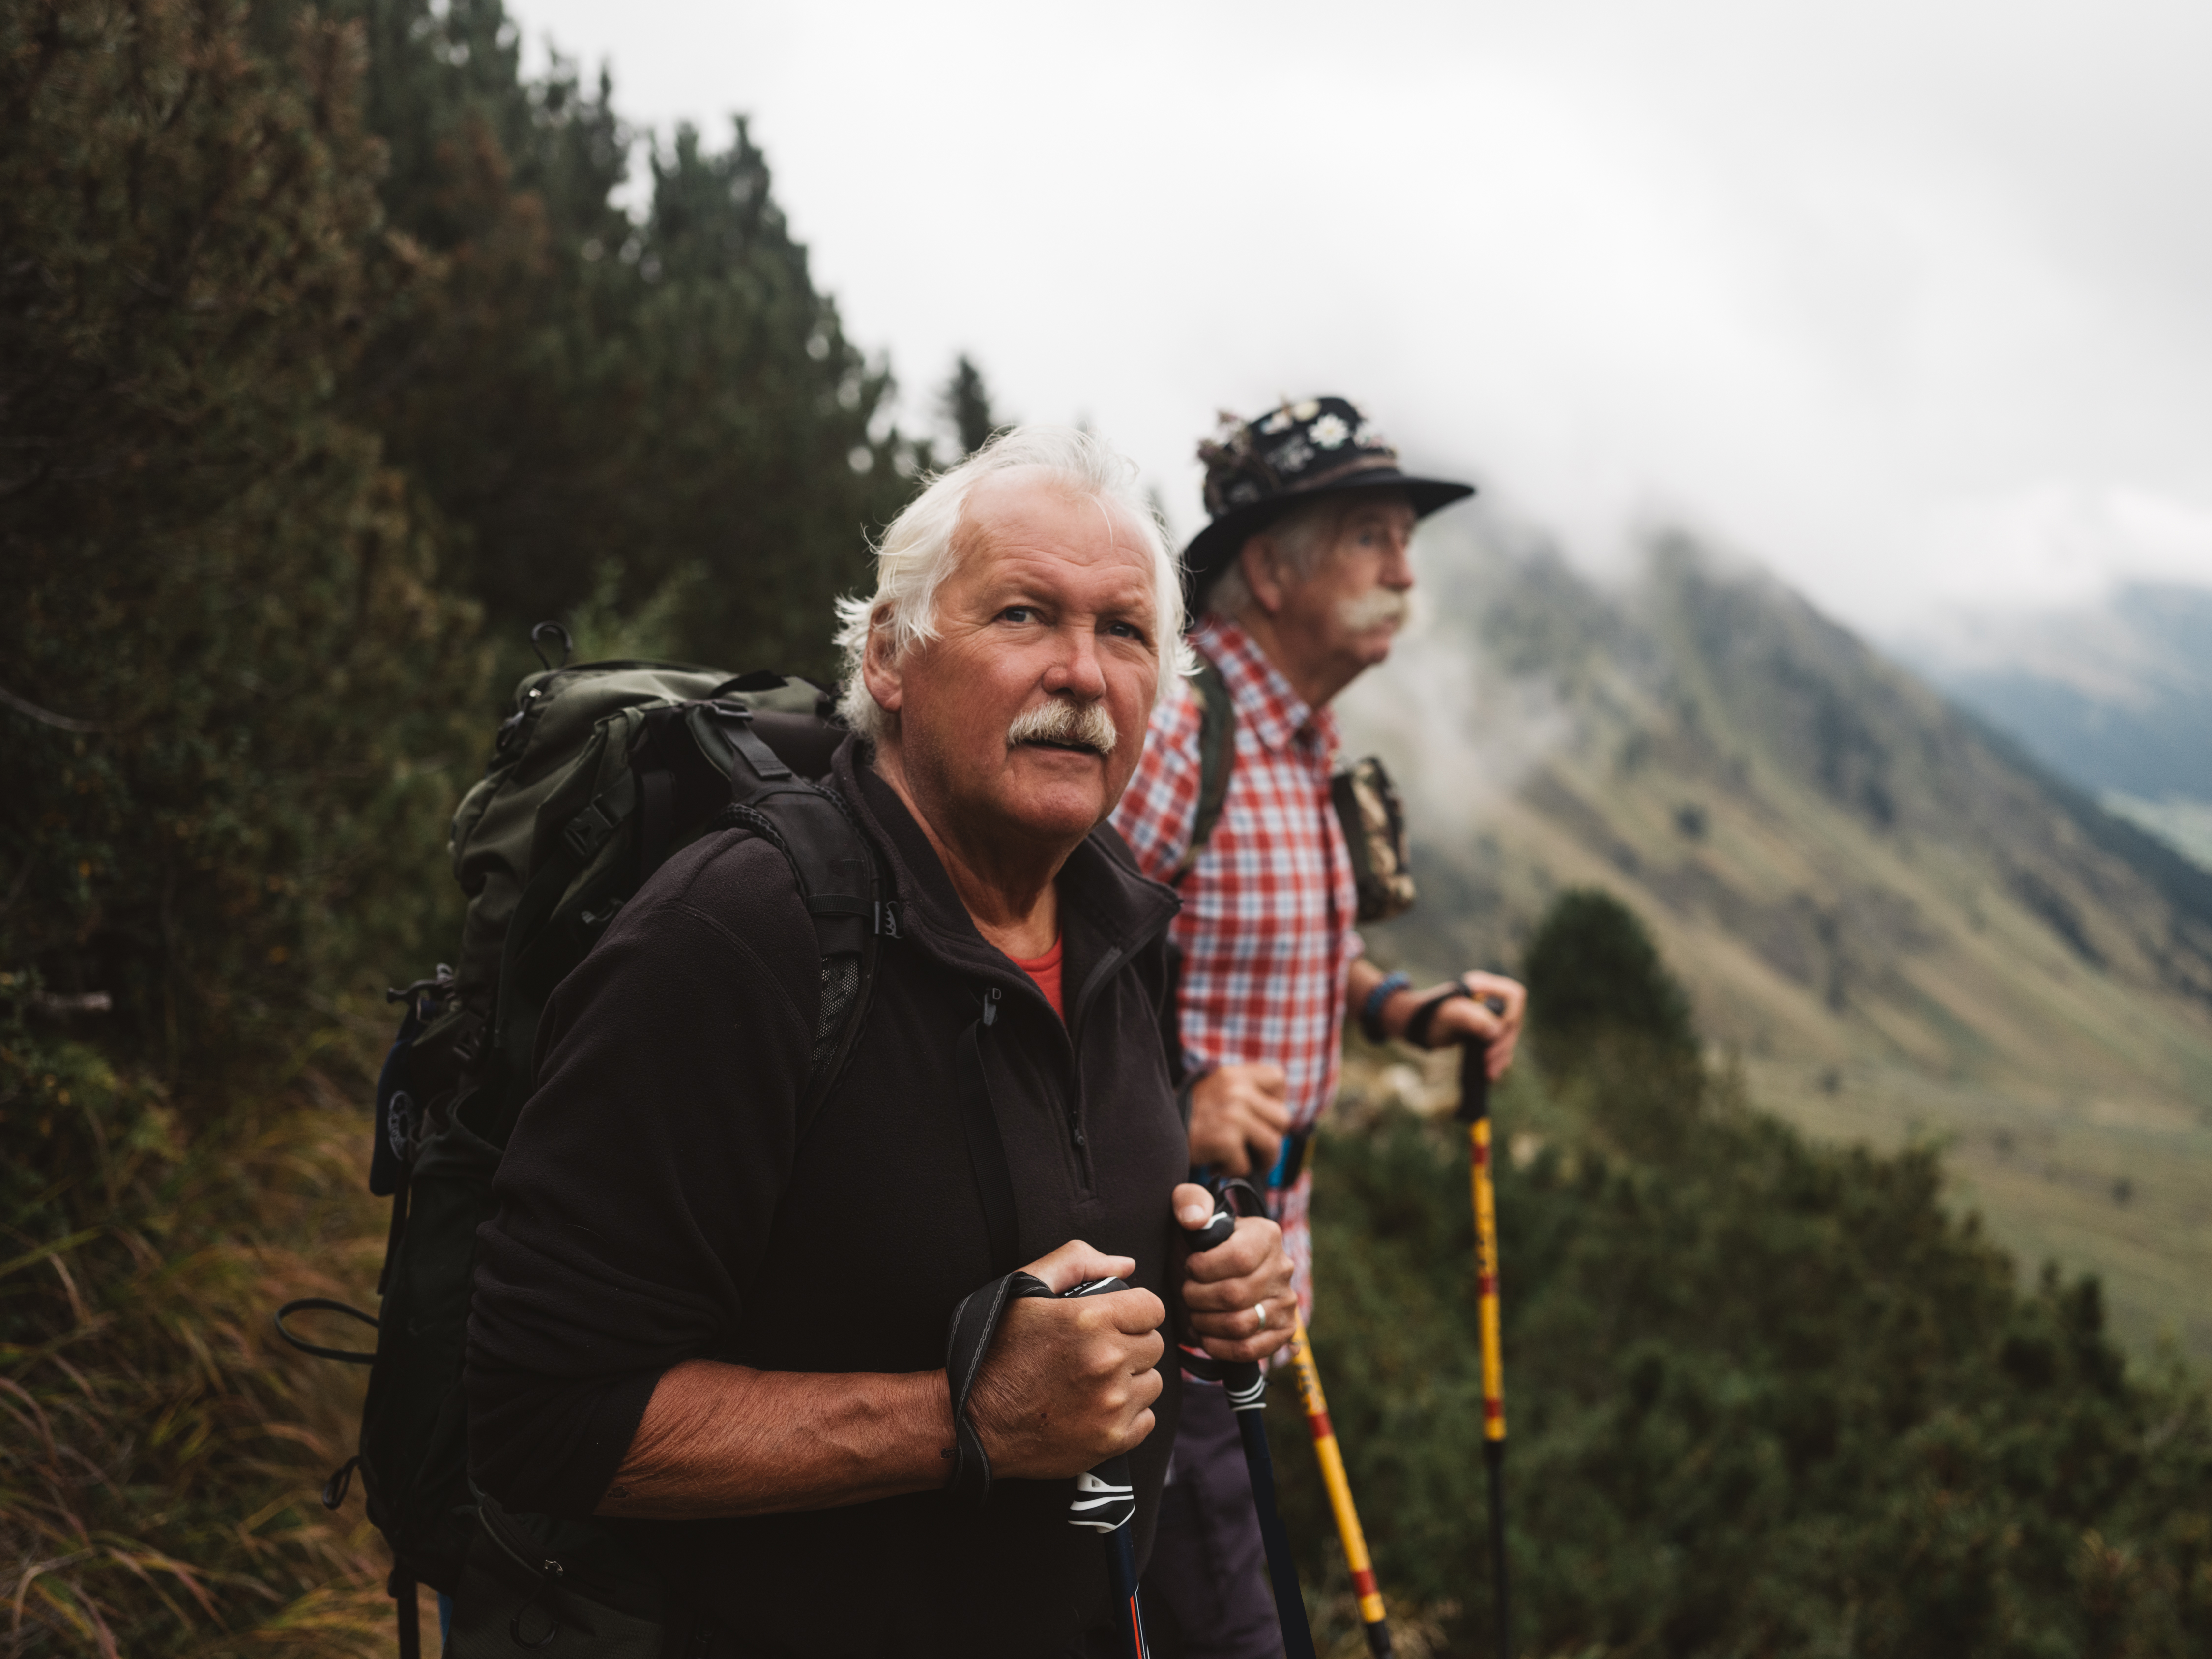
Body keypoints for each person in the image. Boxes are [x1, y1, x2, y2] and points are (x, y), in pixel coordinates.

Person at [466, 425, 1297, 1658]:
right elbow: (539, 1415)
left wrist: (1207, 1269)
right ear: (890, 654)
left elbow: (1044, 1205)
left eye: (1125, 632)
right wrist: (966, 1419)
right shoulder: (739, 936)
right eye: (1024, 615)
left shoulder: (1114, 911)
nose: (1081, 671)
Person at [1112, 397, 1529, 1659]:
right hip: (1153, 1283)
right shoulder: (1179, 735)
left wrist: (1410, 1006)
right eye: (1370, 535)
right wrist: (1174, 1095)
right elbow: (1048, 959)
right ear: (1276, 566)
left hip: (1258, 1277)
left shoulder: (1297, 744)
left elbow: (1296, 944)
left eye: (1406, 539)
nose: (1406, 568)